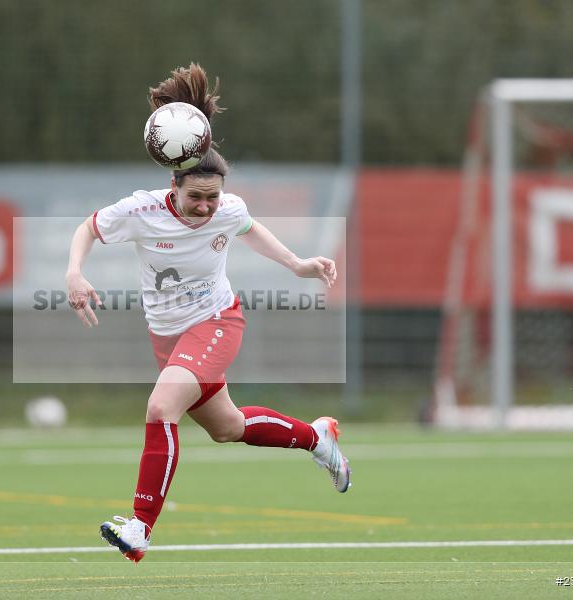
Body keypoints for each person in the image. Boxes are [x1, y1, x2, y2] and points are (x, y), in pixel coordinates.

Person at [65, 63, 350, 563]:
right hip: (166, 337)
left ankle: (140, 528)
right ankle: (316, 437)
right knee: (228, 427)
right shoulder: (140, 210)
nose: (204, 207)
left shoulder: (229, 208)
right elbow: (87, 229)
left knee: (160, 409)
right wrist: (74, 273)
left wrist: (298, 264)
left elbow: (250, 229)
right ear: (173, 187)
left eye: (212, 198)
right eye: (195, 197)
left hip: (217, 323)